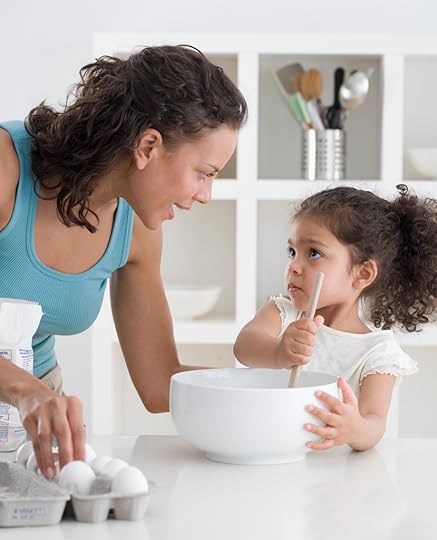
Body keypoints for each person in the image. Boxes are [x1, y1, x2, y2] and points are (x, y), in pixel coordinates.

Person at [0, 45, 247, 478]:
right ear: (148, 146)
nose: (206, 195)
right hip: (30, 399)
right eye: (204, 172)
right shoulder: (5, 168)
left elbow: (158, 382)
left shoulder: (138, 229)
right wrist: (25, 391)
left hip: (32, 418)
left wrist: (282, 388)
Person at [234, 185, 437, 452]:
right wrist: (278, 352)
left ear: (362, 274)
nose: (293, 266)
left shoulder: (377, 353)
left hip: (334, 474)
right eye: (292, 252)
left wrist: (354, 428)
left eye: (313, 253)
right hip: (265, 453)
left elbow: (374, 423)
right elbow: (244, 347)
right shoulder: (283, 313)